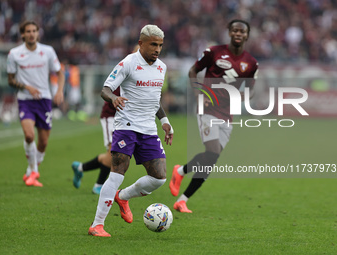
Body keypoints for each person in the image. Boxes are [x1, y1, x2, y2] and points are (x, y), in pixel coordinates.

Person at [88, 24, 173, 237]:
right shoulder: (128, 62)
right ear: (141, 43)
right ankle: (97, 224)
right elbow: (105, 89)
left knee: (159, 178)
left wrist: (164, 120)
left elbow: (154, 99)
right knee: (117, 173)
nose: (157, 49)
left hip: (148, 129)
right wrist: (114, 97)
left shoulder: (161, 67)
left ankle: (123, 197)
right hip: (126, 127)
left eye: (160, 45)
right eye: (153, 44)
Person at [169, 19, 259, 213]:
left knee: (211, 159)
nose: (238, 34)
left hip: (228, 115)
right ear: (229, 32)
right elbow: (193, 71)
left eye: (242, 31)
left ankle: (182, 193)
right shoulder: (214, 53)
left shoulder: (251, 63)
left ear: (247, 35)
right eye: (235, 30)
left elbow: (251, 89)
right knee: (212, 152)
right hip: (208, 108)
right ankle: (181, 179)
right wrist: (198, 94)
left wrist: (244, 96)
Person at [7, 20, 64, 187]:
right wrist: (26, 87)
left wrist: (59, 91)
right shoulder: (14, 54)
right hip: (25, 100)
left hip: (44, 100)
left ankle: (31, 171)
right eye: (28, 31)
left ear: (38, 33)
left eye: (34, 31)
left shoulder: (47, 51)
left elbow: (60, 73)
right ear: (23, 34)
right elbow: (10, 80)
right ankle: (33, 171)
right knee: (29, 135)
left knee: (43, 142)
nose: (31, 33)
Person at [71, 87, 120, 195]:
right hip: (111, 116)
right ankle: (98, 185)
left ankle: (80, 168)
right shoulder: (126, 71)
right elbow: (106, 91)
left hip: (124, 118)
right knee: (113, 153)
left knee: (115, 154)